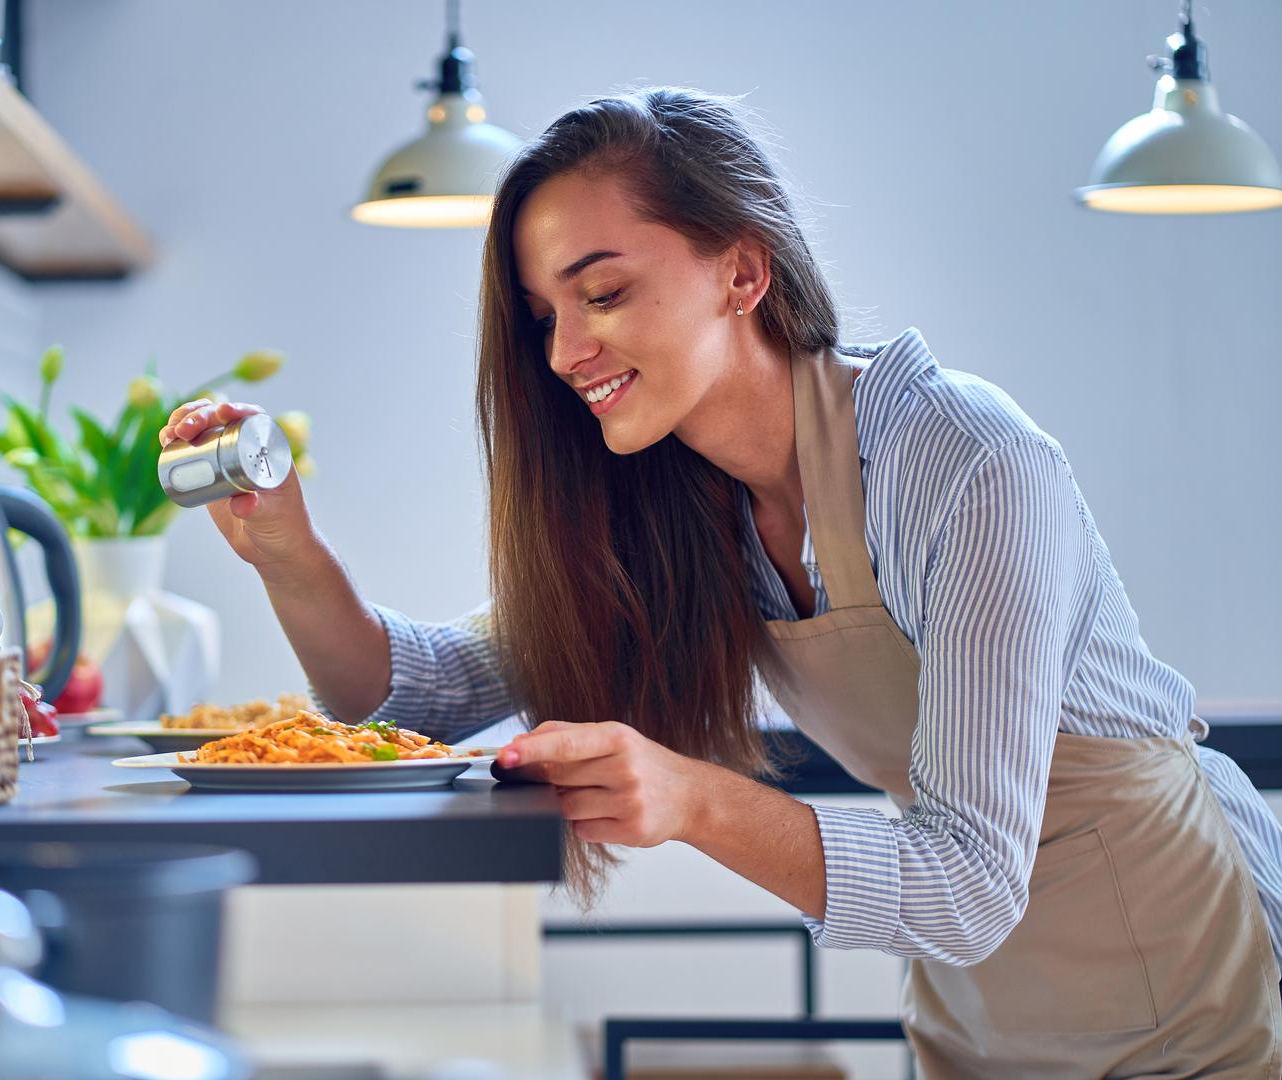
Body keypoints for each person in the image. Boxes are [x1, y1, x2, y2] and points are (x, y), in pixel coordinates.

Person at [159, 88, 1282, 1075]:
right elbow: (413, 694)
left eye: (601, 294)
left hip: (1174, 971)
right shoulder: (682, 504)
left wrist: (694, 800)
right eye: (545, 317)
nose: (560, 355)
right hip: (976, 1002)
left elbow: (973, 883)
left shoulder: (966, 460)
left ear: (743, 271)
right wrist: (288, 550)